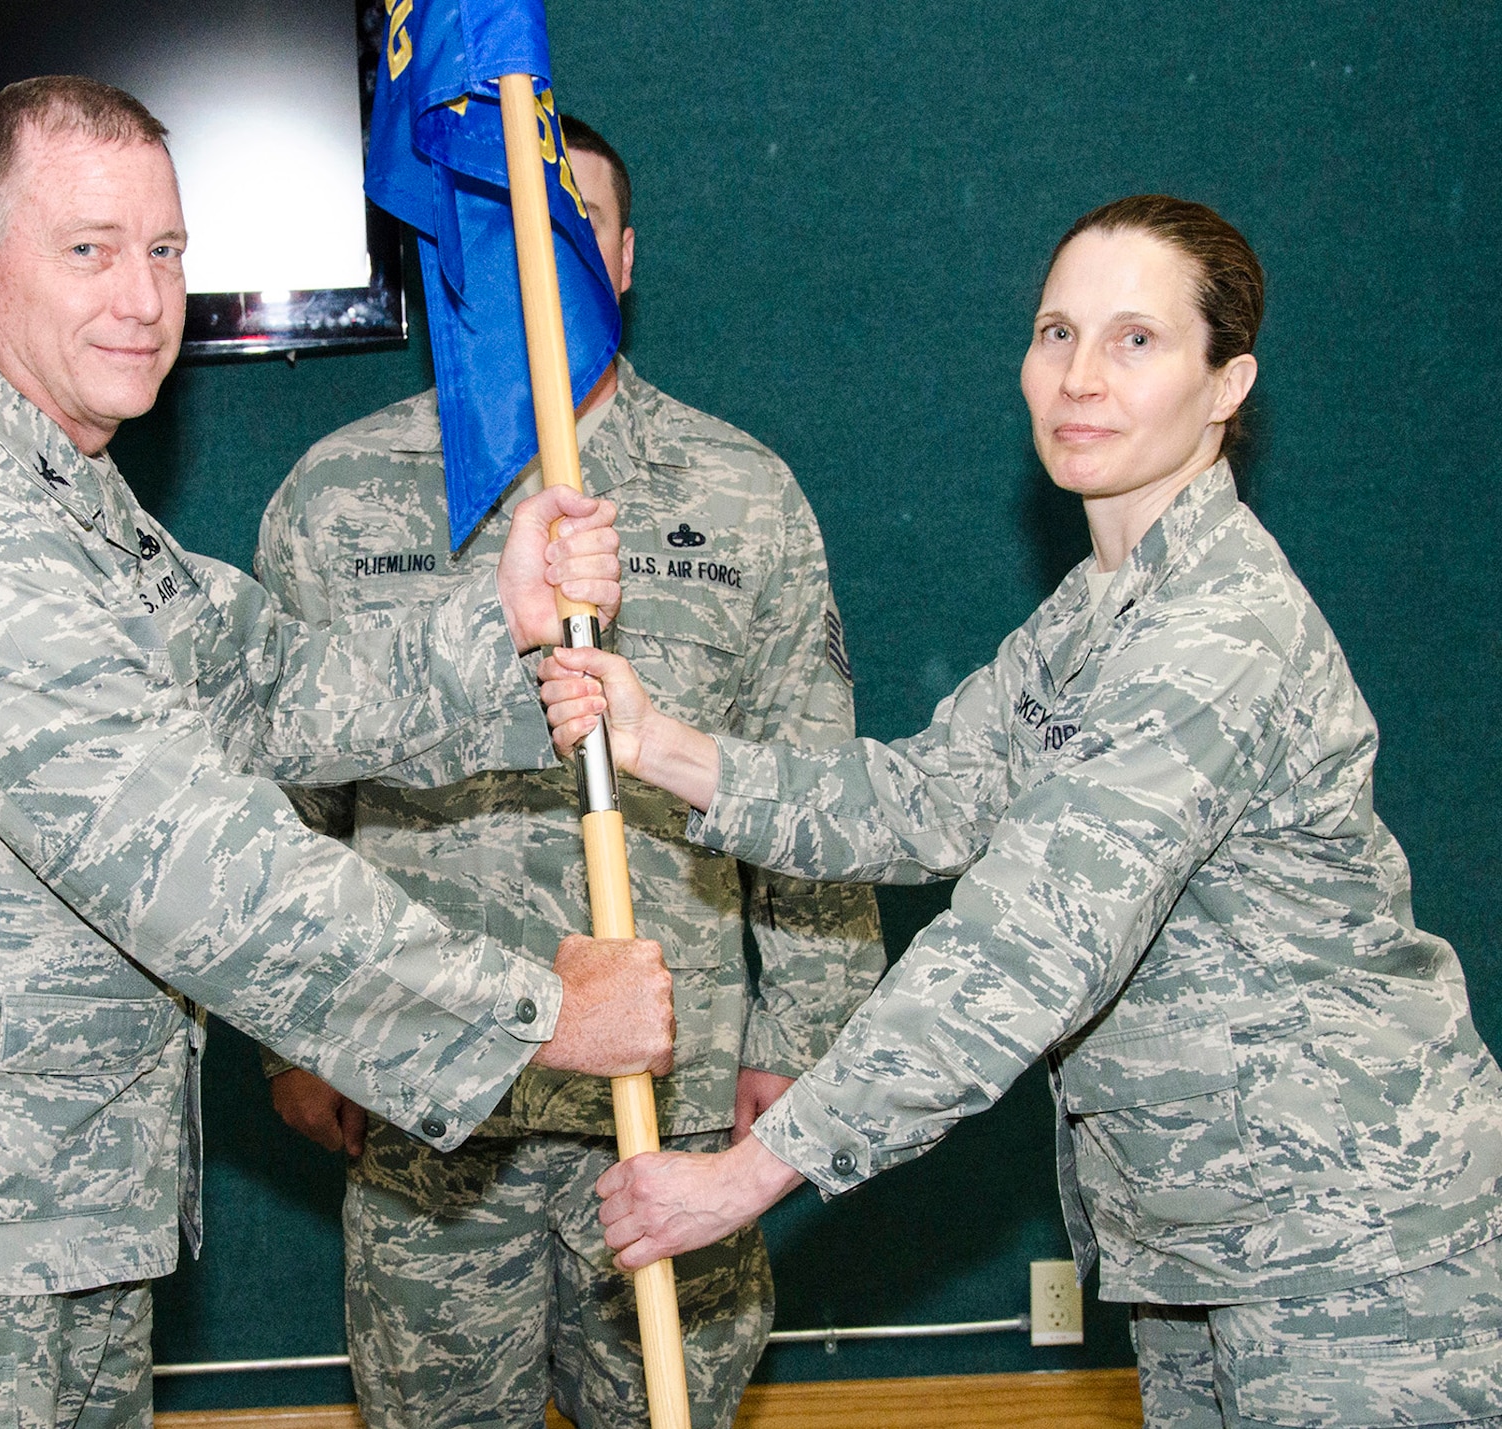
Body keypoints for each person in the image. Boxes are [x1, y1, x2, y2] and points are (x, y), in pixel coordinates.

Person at [0, 77, 677, 1429]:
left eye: (166, 251)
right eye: (91, 249)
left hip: (51, 1230)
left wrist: (497, 621)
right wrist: (543, 1013)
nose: (144, 296)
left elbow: (271, 680)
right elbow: (199, 866)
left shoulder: (63, 499)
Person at [543, 194, 1502, 1428]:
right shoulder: (1094, 609)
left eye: (1135, 340)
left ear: (1225, 386)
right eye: (1055, 333)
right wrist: (660, 743)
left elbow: (1022, 943)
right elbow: (921, 795)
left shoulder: (1215, 629)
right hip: (1203, 1243)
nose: (1080, 378)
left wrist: (745, 1177)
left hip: (1353, 1254)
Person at [255, 116, 884, 1429]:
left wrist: (804, 1042)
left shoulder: (745, 494)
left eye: (574, 220)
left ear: (627, 253)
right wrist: (295, 1037)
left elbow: (812, 790)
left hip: (679, 1105)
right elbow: (283, 807)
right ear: (457, 256)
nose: (543, 254)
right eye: (503, 225)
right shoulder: (337, 497)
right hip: (433, 1119)